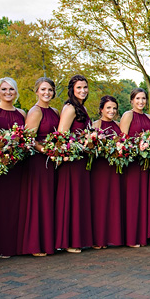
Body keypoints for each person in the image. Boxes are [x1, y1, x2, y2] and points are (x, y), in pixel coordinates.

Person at [17, 77, 60, 257]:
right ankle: (36, 244)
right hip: (38, 161)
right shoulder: (35, 112)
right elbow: (29, 139)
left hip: (53, 161)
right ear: (36, 91)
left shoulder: (55, 111)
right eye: (43, 90)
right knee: (39, 200)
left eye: (50, 90)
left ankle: (49, 242)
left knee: (50, 200)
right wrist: (46, 150)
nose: (46, 93)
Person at [54, 74, 93, 253]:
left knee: (79, 199)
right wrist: (79, 144)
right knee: (71, 199)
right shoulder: (70, 108)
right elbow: (62, 136)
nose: (83, 91)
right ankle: (68, 240)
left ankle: (76, 238)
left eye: (85, 87)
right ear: (72, 89)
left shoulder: (81, 107)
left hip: (81, 159)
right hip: (72, 160)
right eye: (79, 88)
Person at [0, 77, 26, 259]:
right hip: (1, 165)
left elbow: (26, 137)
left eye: (11, 89)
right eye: (4, 89)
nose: (8, 92)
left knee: (17, 206)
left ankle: (16, 245)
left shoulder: (22, 113)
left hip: (18, 165)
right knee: (0, 206)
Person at [119, 88, 150, 248]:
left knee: (144, 199)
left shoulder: (149, 117)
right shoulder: (128, 115)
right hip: (131, 163)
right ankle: (131, 237)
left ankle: (143, 236)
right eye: (138, 98)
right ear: (132, 100)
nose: (141, 101)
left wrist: (149, 147)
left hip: (145, 164)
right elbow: (122, 139)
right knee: (132, 199)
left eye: (143, 98)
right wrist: (137, 147)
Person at [90, 95, 124, 249]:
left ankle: (112, 237)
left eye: (114, 108)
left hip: (115, 168)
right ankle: (98, 239)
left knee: (113, 201)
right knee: (100, 202)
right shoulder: (94, 124)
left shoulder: (118, 125)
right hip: (100, 168)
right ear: (101, 109)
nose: (112, 111)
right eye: (108, 108)